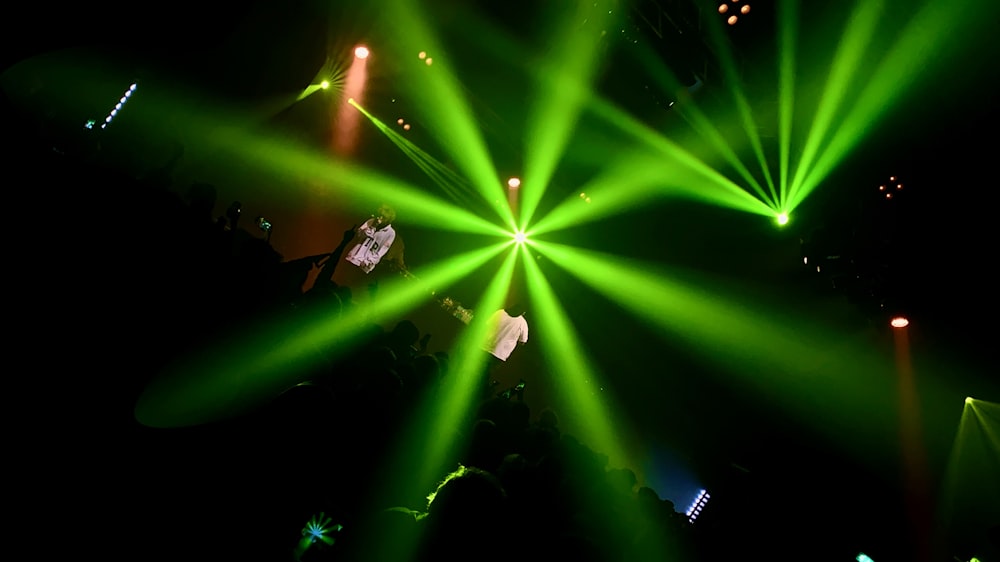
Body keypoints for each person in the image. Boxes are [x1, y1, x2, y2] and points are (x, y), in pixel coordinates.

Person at [481, 303, 528, 389]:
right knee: (485, 375)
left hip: (485, 347)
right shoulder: (523, 323)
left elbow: (487, 325)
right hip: (500, 354)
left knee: (476, 371)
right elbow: (523, 341)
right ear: (523, 312)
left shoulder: (500, 313)